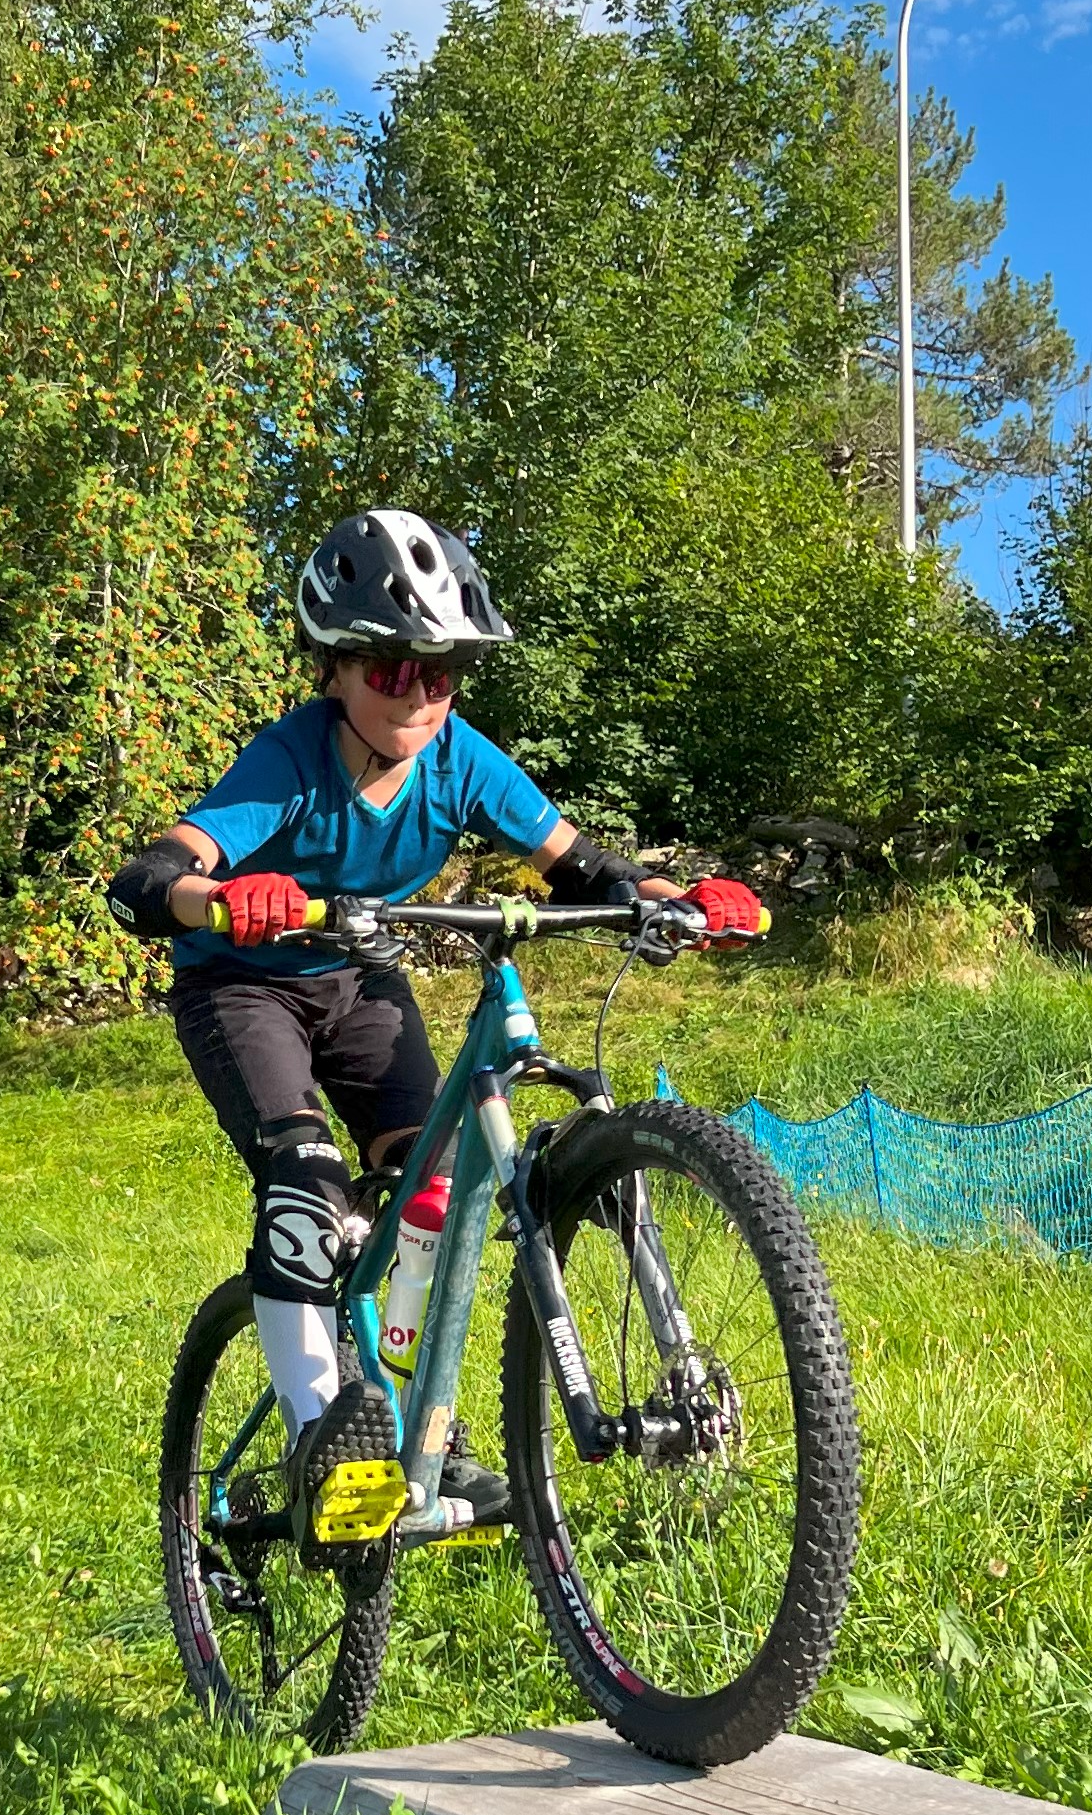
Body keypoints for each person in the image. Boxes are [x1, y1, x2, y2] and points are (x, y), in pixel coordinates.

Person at [103, 508, 761, 1544]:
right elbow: (157, 870)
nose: (418, 693)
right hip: (243, 986)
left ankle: (417, 1422)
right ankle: (323, 1443)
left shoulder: (463, 758)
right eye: (389, 669)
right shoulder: (290, 759)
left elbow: (576, 862)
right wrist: (209, 897)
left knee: (434, 1189)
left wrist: (664, 898)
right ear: (333, 666)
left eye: (442, 670)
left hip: (361, 980)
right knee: (308, 1186)